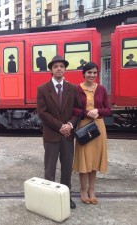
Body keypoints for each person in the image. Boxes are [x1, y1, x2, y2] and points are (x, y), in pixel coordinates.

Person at [37, 55, 81, 209]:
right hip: (51, 135)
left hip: (68, 135)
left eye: (61, 66)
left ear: (65, 69)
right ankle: (49, 199)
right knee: (49, 169)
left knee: (67, 168)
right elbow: (42, 113)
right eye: (56, 67)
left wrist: (70, 124)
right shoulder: (42, 89)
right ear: (51, 70)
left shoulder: (72, 88)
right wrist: (61, 126)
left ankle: (66, 197)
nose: (59, 69)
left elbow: (78, 111)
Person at [73, 62, 111, 205]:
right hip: (84, 126)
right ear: (84, 74)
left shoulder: (101, 89)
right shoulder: (77, 89)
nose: (92, 75)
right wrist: (86, 112)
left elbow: (108, 110)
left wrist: (98, 111)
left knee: (94, 160)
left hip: (98, 127)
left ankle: (92, 190)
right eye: (89, 72)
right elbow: (72, 109)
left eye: (95, 72)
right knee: (84, 159)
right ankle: (83, 190)